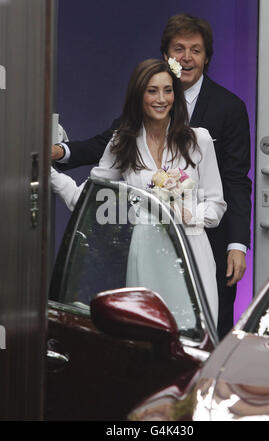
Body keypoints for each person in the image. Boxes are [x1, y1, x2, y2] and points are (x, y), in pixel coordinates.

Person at [52, 13, 251, 339]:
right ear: (166, 57)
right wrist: (56, 162)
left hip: (200, 248)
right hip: (145, 251)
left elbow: (232, 186)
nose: (161, 99)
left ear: (206, 57)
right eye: (179, 49)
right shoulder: (127, 136)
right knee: (145, 339)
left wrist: (234, 242)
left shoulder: (216, 120)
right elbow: (96, 180)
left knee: (205, 336)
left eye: (195, 50)